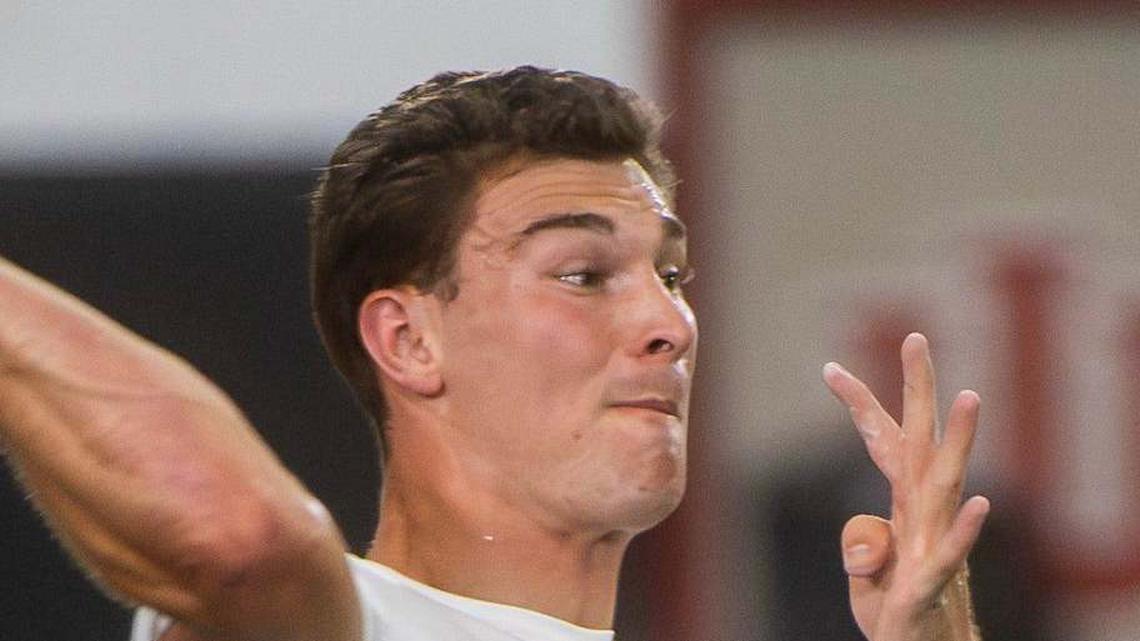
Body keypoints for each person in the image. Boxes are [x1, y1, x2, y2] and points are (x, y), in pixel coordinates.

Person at [0, 66, 989, 641]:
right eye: (582, 273)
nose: (670, 322)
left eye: (672, 275)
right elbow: (243, 542)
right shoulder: (355, 619)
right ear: (408, 337)